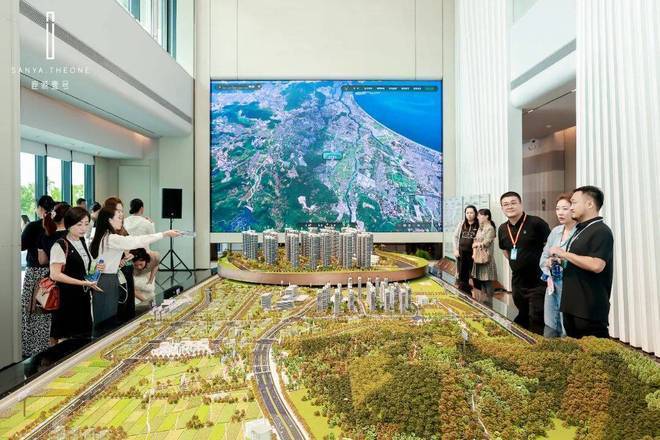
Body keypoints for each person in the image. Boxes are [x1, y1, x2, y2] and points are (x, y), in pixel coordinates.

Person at [90, 206, 181, 327]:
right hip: (107, 280)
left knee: (108, 316)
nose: (121, 221)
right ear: (109, 220)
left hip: (108, 278)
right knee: (106, 319)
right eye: (119, 218)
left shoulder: (106, 236)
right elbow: (137, 241)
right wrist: (164, 234)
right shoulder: (111, 238)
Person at [550, 186, 614, 339]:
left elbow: (597, 265)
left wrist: (564, 254)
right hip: (572, 306)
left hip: (588, 309)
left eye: (574, 203)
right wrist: (560, 261)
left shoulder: (601, 230)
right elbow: (577, 262)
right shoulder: (580, 230)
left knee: (597, 352)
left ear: (589, 204)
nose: (571, 207)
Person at [498, 191, 550, 335]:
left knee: (536, 317)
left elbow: (549, 246)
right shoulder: (502, 228)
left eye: (513, 203)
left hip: (538, 281)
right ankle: (525, 342)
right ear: (502, 208)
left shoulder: (536, 223)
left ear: (521, 204)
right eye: (505, 204)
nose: (509, 206)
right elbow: (505, 250)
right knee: (522, 314)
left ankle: (538, 345)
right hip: (518, 281)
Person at [49, 207, 103, 342]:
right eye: (79, 224)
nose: (83, 228)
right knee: (66, 341)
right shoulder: (60, 245)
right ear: (69, 224)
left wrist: (96, 269)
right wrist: (82, 283)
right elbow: (55, 275)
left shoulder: (82, 241)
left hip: (82, 298)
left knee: (83, 339)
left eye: (86, 224)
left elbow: (83, 268)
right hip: (66, 299)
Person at [20, 195, 55, 358]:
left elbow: (21, 246)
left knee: (30, 309)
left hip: (34, 273)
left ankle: (30, 348)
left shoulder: (33, 226)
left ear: (40, 209)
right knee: (47, 310)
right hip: (51, 274)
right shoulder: (56, 226)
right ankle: (46, 345)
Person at [539, 194, 577, 338]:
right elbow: (544, 257)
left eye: (565, 209)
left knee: (567, 325)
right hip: (552, 283)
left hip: (569, 284)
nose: (560, 212)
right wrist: (548, 263)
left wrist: (563, 259)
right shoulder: (555, 231)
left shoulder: (580, 232)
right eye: (557, 209)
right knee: (550, 323)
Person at [471, 209, 498, 307]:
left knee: (488, 282)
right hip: (478, 258)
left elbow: (486, 242)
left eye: (480, 215)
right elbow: (475, 240)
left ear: (487, 216)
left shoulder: (490, 228)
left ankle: (490, 305)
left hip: (486, 259)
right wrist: (475, 247)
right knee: (482, 282)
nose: (478, 217)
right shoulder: (480, 228)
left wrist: (476, 244)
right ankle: (484, 304)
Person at [453, 205, 479, 293]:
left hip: (473, 254)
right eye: (467, 213)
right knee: (462, 276)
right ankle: (464, 294)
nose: (469, 215)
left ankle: (477, 297)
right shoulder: (462, 224)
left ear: (475, 213)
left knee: (475, 276)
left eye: (471, 213)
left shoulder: (478, 224)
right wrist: (456, 249)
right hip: (462, 253)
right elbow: (455, 237)